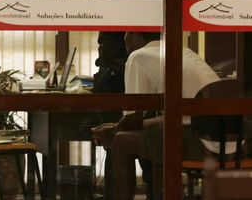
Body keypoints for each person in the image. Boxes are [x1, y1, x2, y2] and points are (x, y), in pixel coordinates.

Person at [92, 32, 220, 200]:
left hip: (201, 141)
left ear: (137, 36)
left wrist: (112, 130)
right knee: (156, 137)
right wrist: (131, 125)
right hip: (230, 143)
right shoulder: (180, 51)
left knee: (121, 141)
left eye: (127, 33)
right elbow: (177, 116)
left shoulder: (139, 56)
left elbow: (132, 119)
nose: (124, 39)